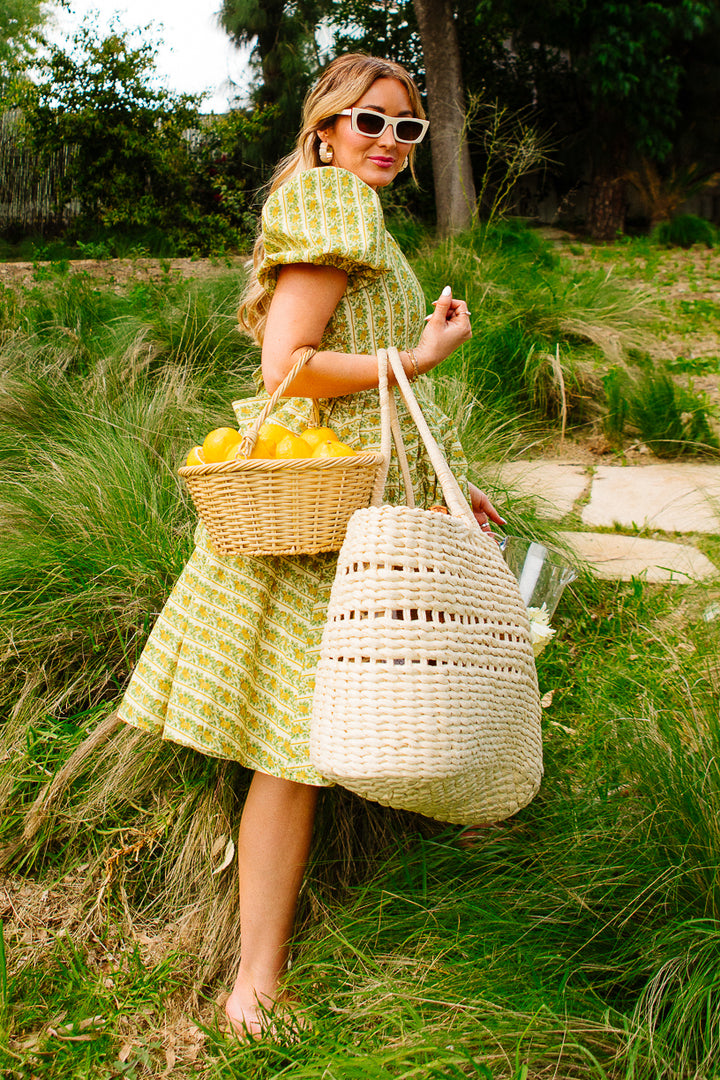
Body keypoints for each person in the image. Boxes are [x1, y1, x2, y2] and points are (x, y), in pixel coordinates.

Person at [117, 52, 503, 1039]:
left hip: (365, 495)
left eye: (405, 129)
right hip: (329, 520)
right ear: (324, 128)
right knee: (291, 749)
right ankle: (254, 989)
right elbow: (287, 368)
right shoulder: (333, 205)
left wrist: (448, 480)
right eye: (368, 121)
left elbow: (367, 385)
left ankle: (430, 862)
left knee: (345, 719)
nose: (387, 142)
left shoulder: (344, 210)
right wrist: (416, 354)